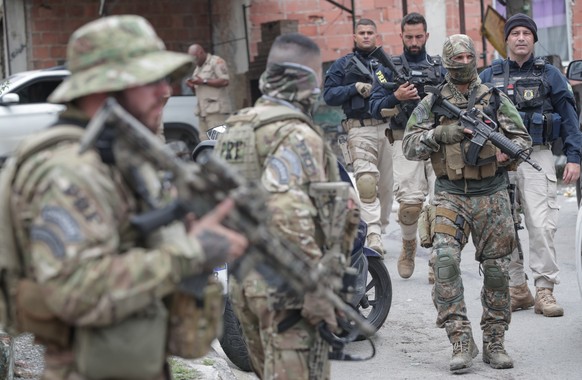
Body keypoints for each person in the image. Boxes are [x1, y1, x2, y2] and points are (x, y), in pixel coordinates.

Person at [0, 15, 248, 380]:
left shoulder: (113, 160)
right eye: (151, 81)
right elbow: (74, 291)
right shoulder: (69, 171)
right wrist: (192, 252)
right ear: (106, 87)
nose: (165, 92)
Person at [216, 33, 358, 380]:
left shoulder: (235, 129)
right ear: (309, 79)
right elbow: (289, 216)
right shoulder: (298, 135)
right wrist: (315, 292)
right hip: (288, 290)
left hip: (244, 283)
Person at [403, 34, 532, 371]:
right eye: (455, 59)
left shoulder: (494, 98)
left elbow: (522, 140)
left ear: (475, 57)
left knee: (497, 272)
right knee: (444, 263)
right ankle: (460, 338)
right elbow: (408, 146)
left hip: (491, 194)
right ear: (446, 63)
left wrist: (508, 156)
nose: (462, 64)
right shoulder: (432, 104)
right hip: (449, 193)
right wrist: (437, 135)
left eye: (467, 58)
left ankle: (494, 339)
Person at [480, 13, 582, 318]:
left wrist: (575, 158)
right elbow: (474, 119)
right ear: (507, 39)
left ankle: (544, 289)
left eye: (527, 33)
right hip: (500, 158)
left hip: (537, 155)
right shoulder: (489, 76)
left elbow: (570, 119)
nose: (521, 37)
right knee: (503, 228)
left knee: (542, 225)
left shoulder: (550, 74)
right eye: (515, 33)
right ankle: (518, 290)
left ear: (533, 39)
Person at [369, 12, 445, 280]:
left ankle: (438, 258)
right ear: (401, 36)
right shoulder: (389, 67)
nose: (414, 41)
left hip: (437, 140)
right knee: (411, 204)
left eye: (419, 36)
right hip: (403, 139)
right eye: (409, 36)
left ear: (426, 36)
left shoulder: (439, 67)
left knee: (440, 203)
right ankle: (409, 244)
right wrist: (396, 95)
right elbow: (374, 106)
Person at [323, 18, 393, 256]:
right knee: (366, 182)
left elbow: (397, 87)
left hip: (386, 128)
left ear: (376, 36)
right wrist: (354, 88)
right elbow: (329, 95)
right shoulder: (342, 65)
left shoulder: (385, 64)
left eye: (369, 32)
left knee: (386, 188)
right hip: (358, 128)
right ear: (354, 37)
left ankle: (379, 226)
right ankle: (372, 233)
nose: (365, 36)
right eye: (361, 33)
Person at [186, 44, 233, 142]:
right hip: (203, 113)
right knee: (205, 143)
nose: (194, 61)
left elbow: (225, 81)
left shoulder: (216, 62)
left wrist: (203, 81)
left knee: (218, 141)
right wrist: (192, 86)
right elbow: (199, 90)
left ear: (201, 53)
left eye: (195, 58)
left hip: (216, 112)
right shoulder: (197, 68)